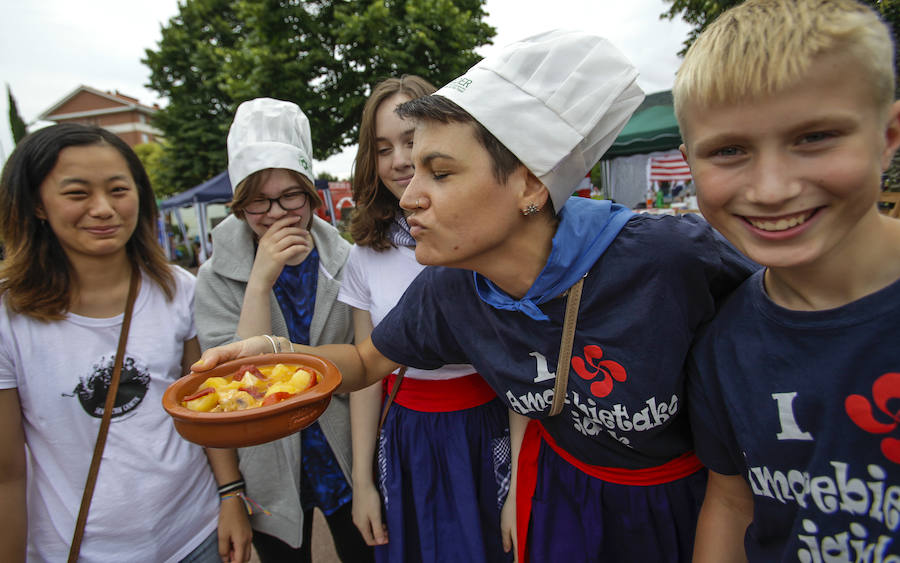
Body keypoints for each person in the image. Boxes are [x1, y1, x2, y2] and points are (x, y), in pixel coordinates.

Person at [192, 30, 756, 562]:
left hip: (689, 499)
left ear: (531, 184)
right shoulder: (451, 285)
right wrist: (271, 359)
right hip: (561, 489)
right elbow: (366, 361)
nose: (409, 196)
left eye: (438, 172)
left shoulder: (670, 258)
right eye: (411, 171)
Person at [673, 0, 900, 560]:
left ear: (889, 134)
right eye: (729, 151)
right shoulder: (721, 343)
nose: (771, 188)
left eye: (815, 137)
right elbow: (732, 502)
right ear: (690, 163)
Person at [0, 123, 252, 562]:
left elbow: (205, 406)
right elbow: (7, 474)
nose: (103, 209)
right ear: (37, 205)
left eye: (118, 190)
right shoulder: (9, 317)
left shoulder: (177, 289)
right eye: (77, 194)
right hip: (80, 549)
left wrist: (231, 496)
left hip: (195, 535)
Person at [194, 98, 372, 563]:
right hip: (268, 465)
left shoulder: (345, 260)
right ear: (238, 205)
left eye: (290, 195)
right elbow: (236, 388)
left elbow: (364, 363)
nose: (276, 213)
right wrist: (259, 283)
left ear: (311, 194)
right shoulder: (215, 277)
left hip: (345, 454)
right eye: (257, 199)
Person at [342, 75, 512, 562]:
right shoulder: (364, 256)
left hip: (486, 430)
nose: (399, 160)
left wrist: (521, 477)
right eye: (382, 147)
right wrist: (362, 482)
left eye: (411, 141)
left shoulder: (481, 241)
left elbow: (524, 362)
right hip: (406, 436)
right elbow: (363, 376)